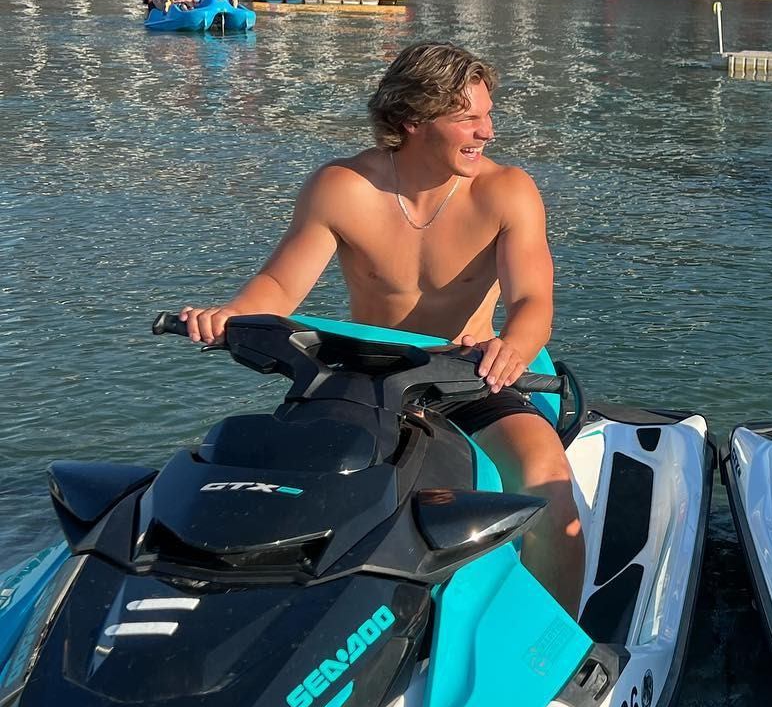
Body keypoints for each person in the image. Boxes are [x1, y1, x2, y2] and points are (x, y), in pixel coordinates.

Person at [178, 41, 585, 614]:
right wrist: (231, 314)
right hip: (365, 381)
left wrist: (513, 346)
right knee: (268, 480)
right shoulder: (342, 187)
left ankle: (558, 650)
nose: (486, 131)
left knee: (545, 476)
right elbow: (278, 288)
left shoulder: (506, 192)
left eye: (488, 114)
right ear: (410, 121)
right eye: (468, 118)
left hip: (468, 374)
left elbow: (532, 299)